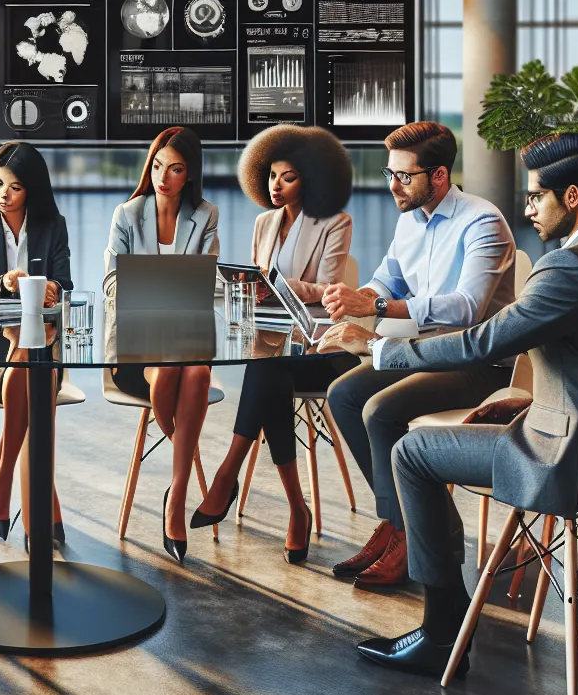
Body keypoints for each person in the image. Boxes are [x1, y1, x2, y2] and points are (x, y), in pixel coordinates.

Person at [349, 133, 578, 678]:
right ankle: (438, 594)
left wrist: (382, 349)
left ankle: (443, 635)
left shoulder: (567, 267)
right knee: (404, 433)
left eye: (537, 196)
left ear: (574, 196)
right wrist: (527, 399)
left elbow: (481, 341)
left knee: (412, 450)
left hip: (566, 458)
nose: (529, 208)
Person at [193, 121, 514, 584]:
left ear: (440, 175)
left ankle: (418, 533)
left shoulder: (482, 221)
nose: (393, 186)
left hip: (475, 360)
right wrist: (352, 301)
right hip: (422, 352)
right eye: (389, 174)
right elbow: (386, 279)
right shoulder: (410, 220)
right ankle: (400, 522)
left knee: (380, 409)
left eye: (404, 176)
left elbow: (467, 309)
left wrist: (378, 306)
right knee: (345, 394)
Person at [189, 124, 353, 563]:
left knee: (266, 371)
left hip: (318, 345)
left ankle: (228, 474)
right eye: (272, 176)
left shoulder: (335, 222)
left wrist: (275, 284)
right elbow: (254, 287)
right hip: (269, 338)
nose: (276, 186)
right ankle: (296, 509)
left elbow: (328, 289)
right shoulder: (264, 222)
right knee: (269, 372)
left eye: (288, 177)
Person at [103, 126, 220, 563]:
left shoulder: (206, 214)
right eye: (157, 166)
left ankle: (177, 496)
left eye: (175, 169)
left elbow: (208, 282)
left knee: (198, 371)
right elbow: (112, 281)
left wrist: (172, 293)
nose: (163, 176)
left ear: (189, 174)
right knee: (174, 367)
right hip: (137, 337)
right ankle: (182, 477)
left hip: (186, 333)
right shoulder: (127, 214)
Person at [0, 142, 73, 545]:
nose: (3, 194)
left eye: (14, 187)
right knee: (30, 364)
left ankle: (3, 473)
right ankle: (43, 517)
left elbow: (67, 284)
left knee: (33, 352)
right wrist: (3, 282)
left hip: (44, 341)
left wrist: (54, 290)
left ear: (33, 190)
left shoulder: (52, 226)